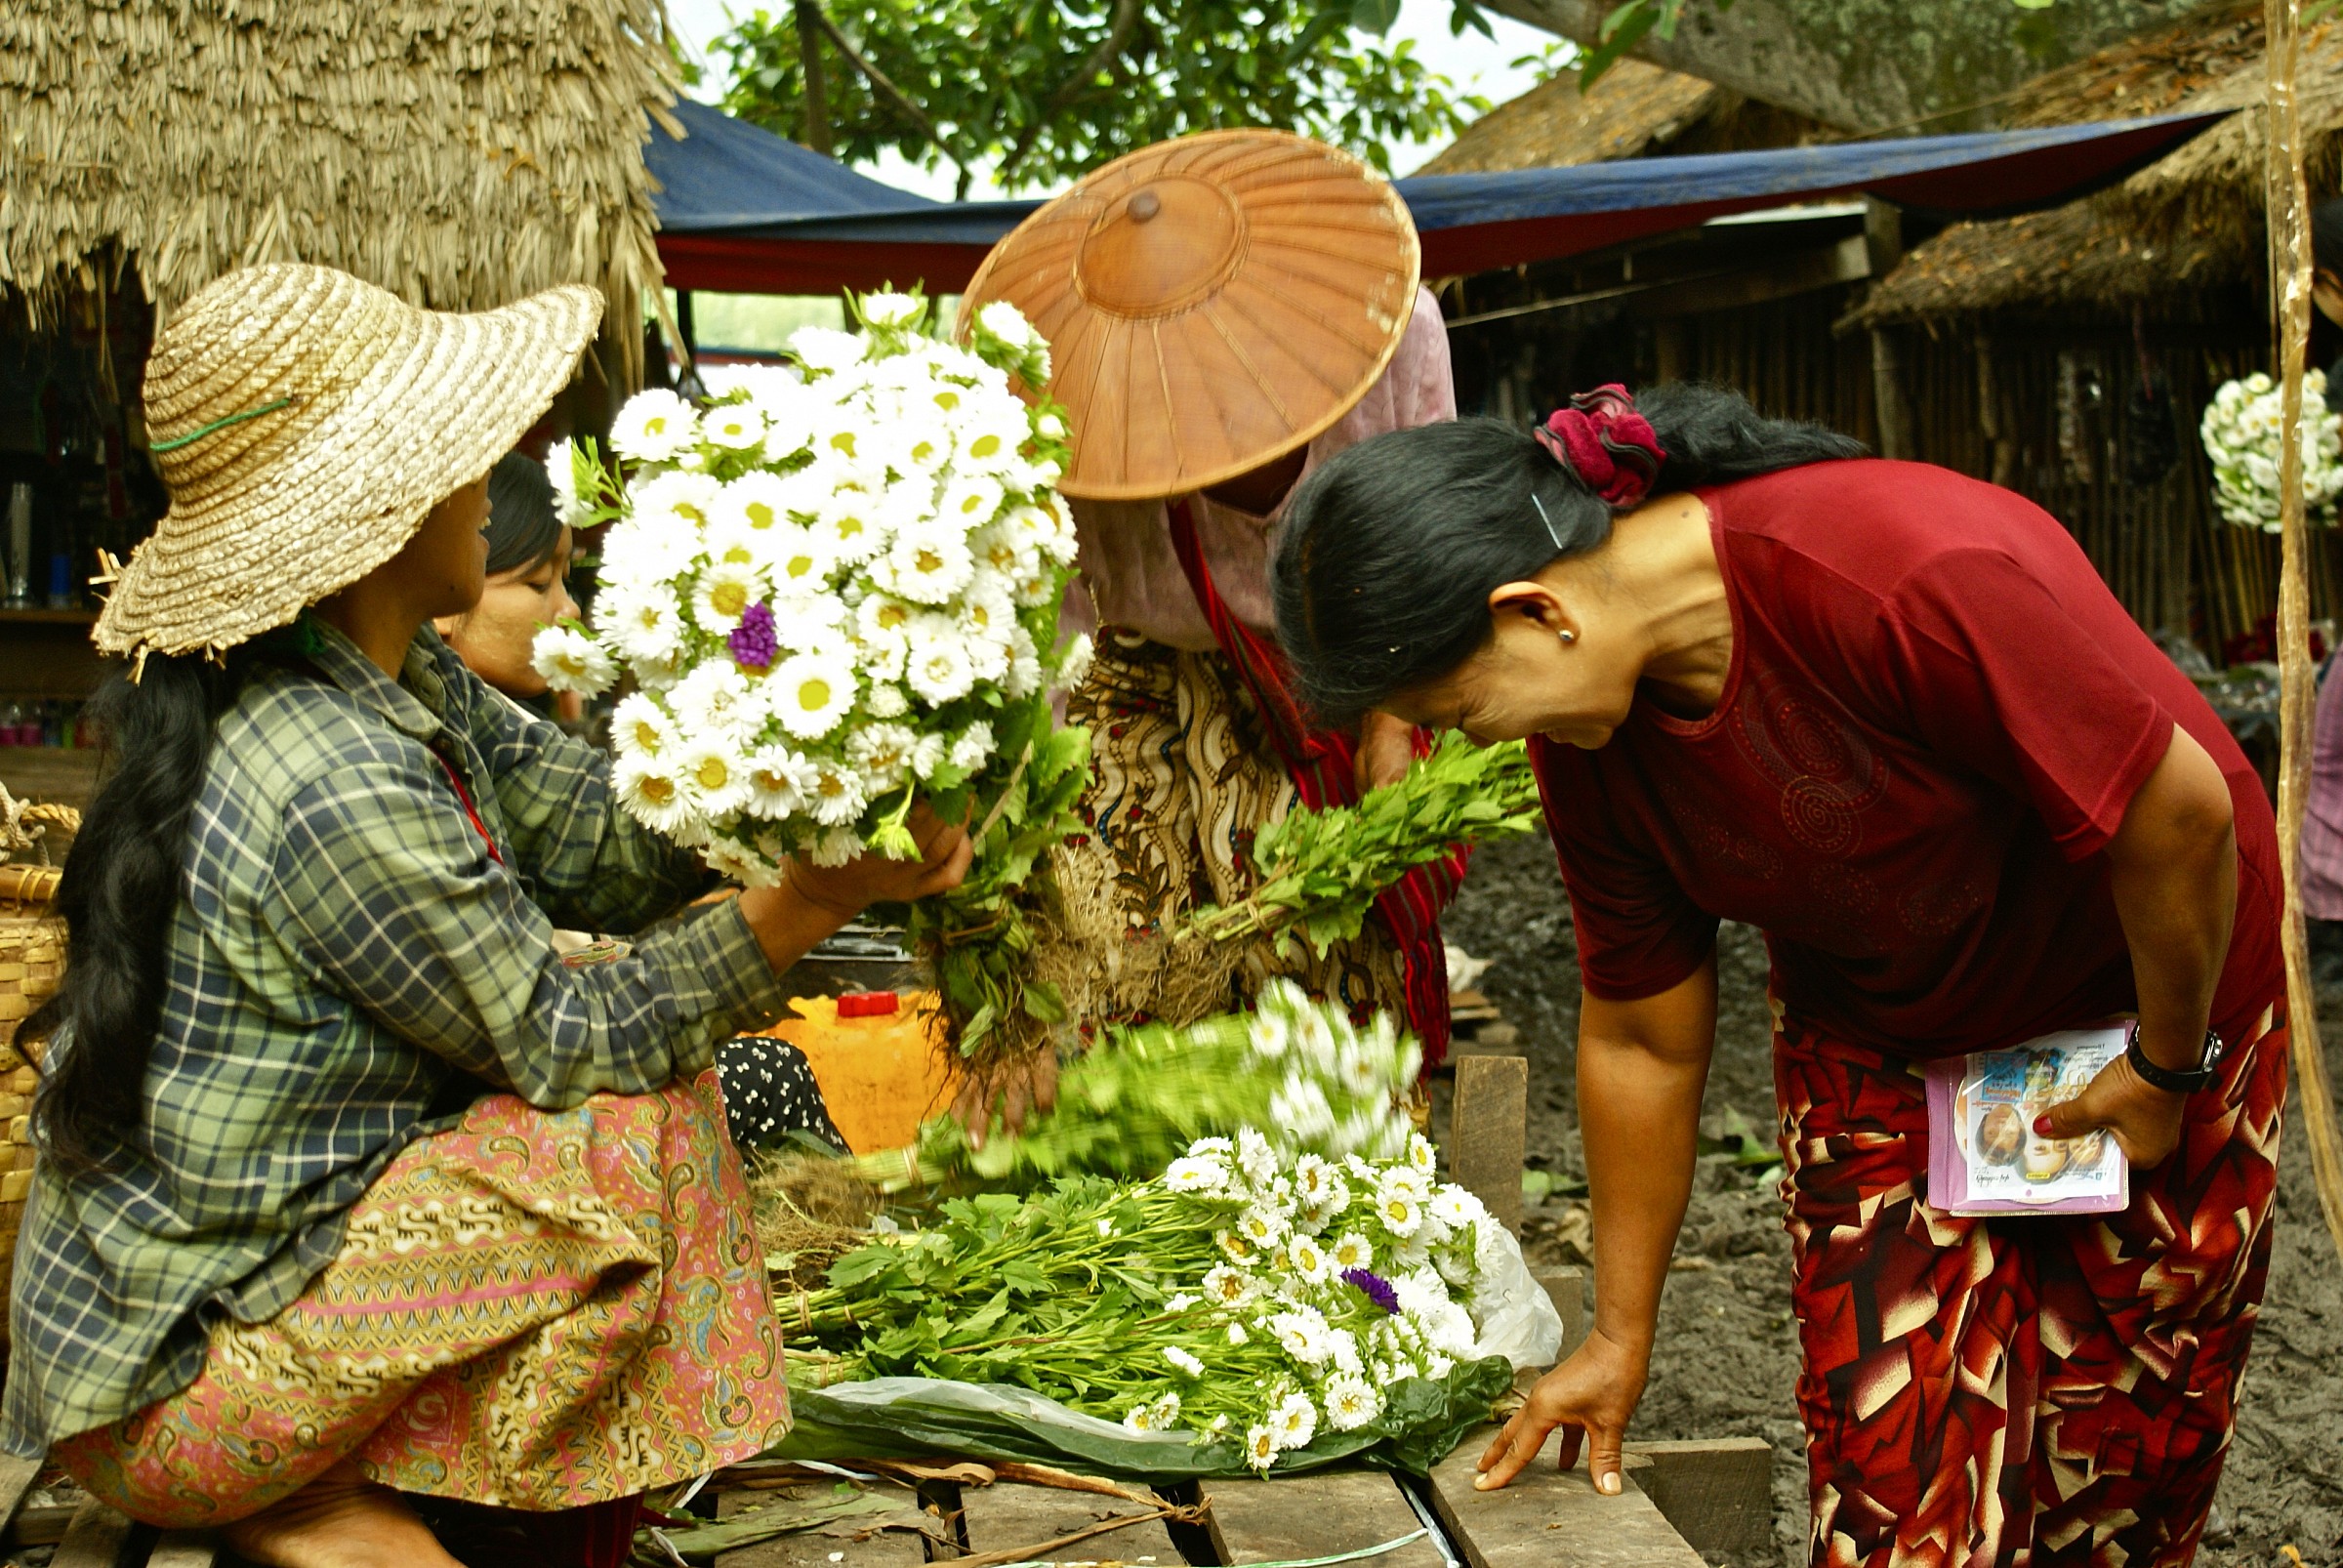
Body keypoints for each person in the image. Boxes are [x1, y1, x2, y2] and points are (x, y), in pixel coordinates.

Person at [4, 263, 970, 1568]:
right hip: (175, 1396)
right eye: (459, 450)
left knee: (661, 1093)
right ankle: (301, 1491)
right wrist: (809, 900)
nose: (490, 473)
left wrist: (811, 765)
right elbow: (572, 1037)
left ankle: (365, 1481)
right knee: (634, 1127)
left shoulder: (385, 677)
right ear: (384, 509)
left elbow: (598, 832)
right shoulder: (328, 769)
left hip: (213, 1316)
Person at [1271, 385, 2285, 1566]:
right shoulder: (1593, 750)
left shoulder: (1901, 577)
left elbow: (2179, 818)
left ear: (1535, 609)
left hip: (2154, 1001)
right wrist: (1618, 1334)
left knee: (2110, 1476)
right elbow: (1640, 1033)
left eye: (1458, 708)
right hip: (1885, 1040)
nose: (1472, 739)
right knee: (1895, 1494)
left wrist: (2166, 1068)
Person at [953, 130, 1464, 1096]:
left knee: (1314, 948)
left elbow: (1432, 550)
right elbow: (1046, 669)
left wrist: (1396, 720)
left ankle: (1336, 1151)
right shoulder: (1075, 419)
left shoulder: (1391, 332)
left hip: (1348, 664)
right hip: (1134, 668)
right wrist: (1007, 923)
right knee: (1115, 957)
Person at [441, 453, 850, 1155]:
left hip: (506, 1057)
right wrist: (807, 903)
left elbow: (595, 833)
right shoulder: (351, 758)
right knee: (757, 1079)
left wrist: (753, 764)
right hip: (442, 1115)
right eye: (537, 582)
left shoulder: (448, 698)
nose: (570, 609)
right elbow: (553, 1035)